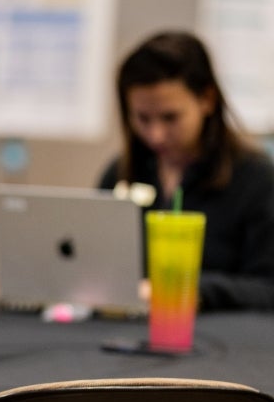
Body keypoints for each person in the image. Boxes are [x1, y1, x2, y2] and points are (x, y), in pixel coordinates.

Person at [97, 29, 274, 310]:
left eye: (171, 118)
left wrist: (190, 290)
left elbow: (267, 289)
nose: (155, 135)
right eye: (143, 118)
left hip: (221, 343)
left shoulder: (255, 179)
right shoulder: (121, 174)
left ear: (207, 100)